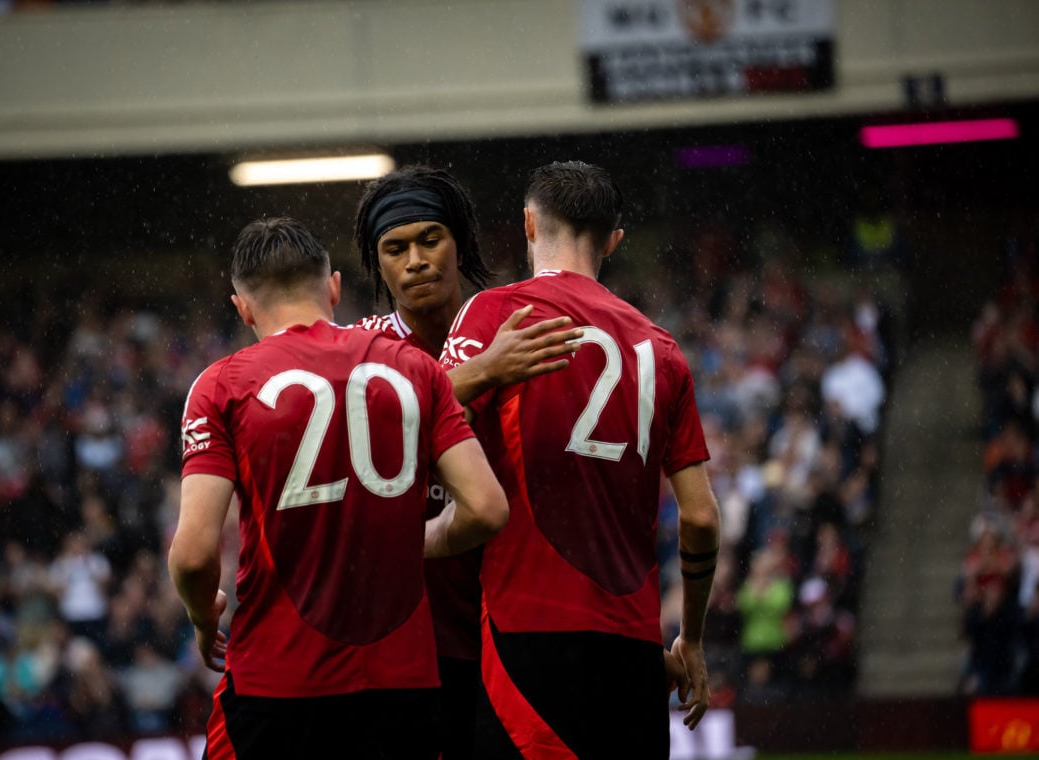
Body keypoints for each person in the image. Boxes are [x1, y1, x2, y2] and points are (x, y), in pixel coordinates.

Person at [168, 216, 509, 759]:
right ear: (333, 288)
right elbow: (488, 508)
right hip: (403, 686)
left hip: (278, 683)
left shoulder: (221, 386)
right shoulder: (415, 369)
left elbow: (191, 556)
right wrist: (418, 542)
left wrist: (201, 612)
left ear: (243, 308)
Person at [440, 161, 721, 758]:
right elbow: (700, 518)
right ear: (614, 240)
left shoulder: (497, 316)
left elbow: (424, 428)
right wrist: (689, 640)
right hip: (632, 647)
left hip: (526, 630)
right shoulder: (662, 349)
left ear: (528, 223)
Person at [353, 164, 583, 759]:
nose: (416, 260)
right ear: (377, 263)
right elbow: (372, 437)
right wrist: (483, 373)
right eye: (395, 248)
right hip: (396, 636)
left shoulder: (513, 328)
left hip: (503, 627)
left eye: (431, 239)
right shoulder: (359, 352)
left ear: (461, 244)